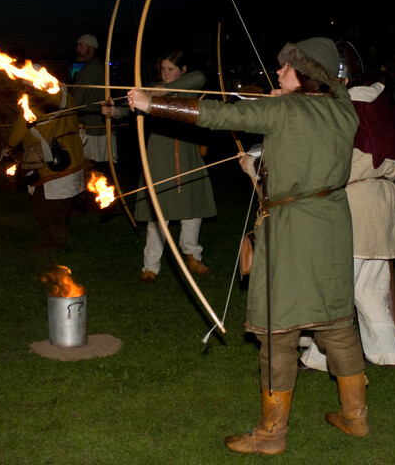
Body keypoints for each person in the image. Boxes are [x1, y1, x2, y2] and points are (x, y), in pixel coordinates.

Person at [128, 37, 367, 454]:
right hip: (333, 222)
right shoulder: (344, 109)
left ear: (305, 74)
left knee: (279, 331)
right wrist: (294, 92)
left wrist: (153, 104)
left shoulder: (283, 109)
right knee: (337, 324)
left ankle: (272, 435)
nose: (277, 73)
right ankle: (355, 417)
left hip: (293, 229)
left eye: (286, 68)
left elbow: (217, 114)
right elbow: (337, 87)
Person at [299, 40, 395, 372]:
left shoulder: (348, 108)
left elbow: (336, 165)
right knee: (368, 289)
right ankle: (386, 353)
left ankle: (321, 357)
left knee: (336, 287)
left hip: (357, 206)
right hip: (382, 204)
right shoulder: (374, 104)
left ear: (342, 80)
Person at [105, 50, 217, 283]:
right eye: (163, 69)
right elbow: (132, 107)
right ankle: (151, 266)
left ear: (182, 70)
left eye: (171, 69)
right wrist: (115, 111)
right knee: (158, 211)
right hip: (159, 154)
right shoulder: (152, 91)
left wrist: (163, 91)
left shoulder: (189, 85)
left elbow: (199, 76)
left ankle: (192, 256)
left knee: (192, 208)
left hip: (188, 152)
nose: (165, 74)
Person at [2, 74, 85, 251]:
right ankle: (55, 239)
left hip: (51, 161)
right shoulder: (64, 94)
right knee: (58, 204)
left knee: (48, 206)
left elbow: (21, 126)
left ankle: (55, 242)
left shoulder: (35, 100)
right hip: (71, 154)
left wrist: (9, 146)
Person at [71, 34, 119, 173]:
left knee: (94, 168)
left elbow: (78, 98)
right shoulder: (93, 66)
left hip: (95, 125)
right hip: (96, 123)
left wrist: (67, 107)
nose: (77, 49)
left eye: (81, 45)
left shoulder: (93, 68)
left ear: (91, 47)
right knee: (96, 167)